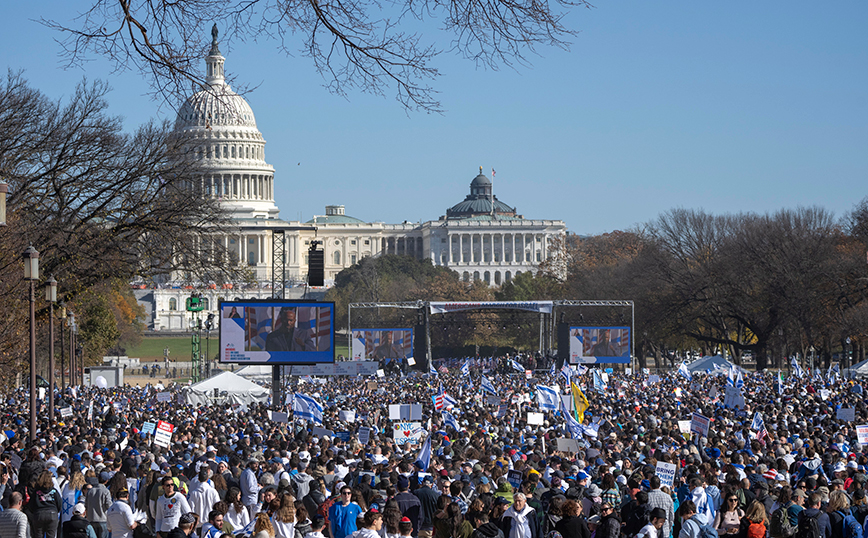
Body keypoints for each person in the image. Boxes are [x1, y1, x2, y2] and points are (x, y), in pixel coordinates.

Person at [29, 469, 62, 538]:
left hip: (39, 514)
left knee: (38, 535)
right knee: (51, 535)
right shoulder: (54, 491)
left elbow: (31, 505)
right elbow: (59, 504)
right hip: (52, 514)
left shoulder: (36, 492)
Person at [86, 471, 112, 538]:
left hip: (91, 519)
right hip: (102, 519)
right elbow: (109, 505)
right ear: (106, 481)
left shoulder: (90, 491)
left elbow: (86, 505)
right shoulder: (106, 491)